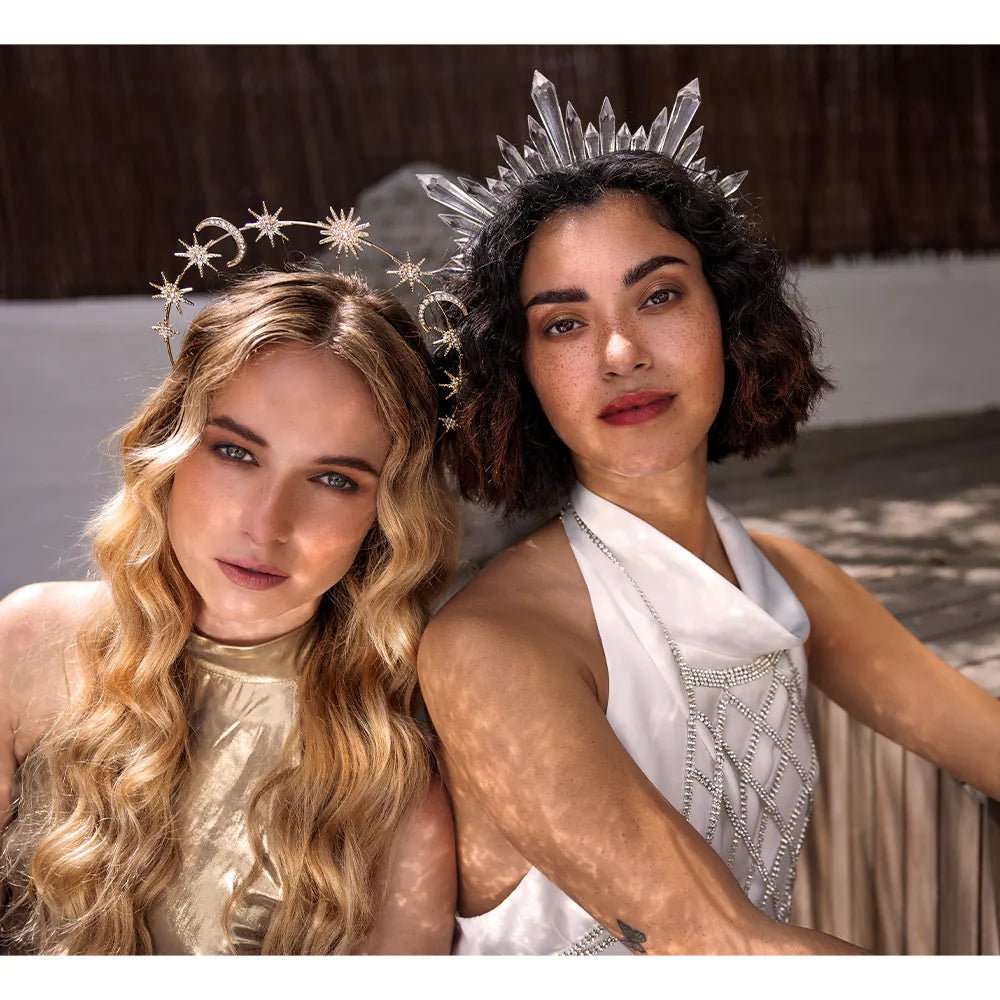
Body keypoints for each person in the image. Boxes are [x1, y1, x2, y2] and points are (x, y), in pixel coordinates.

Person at [416, 71, 1000, 955]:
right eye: (564, 324)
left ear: (729, 312)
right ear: (519, 372)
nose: (621, 352)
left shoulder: (786, 578)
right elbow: (723, 948)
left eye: (658, 296)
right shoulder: (491, 645)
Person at [0, 265, 458, 954]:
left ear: (386, 515)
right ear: (171, 446)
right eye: (236, 452)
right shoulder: (30, 645)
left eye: (334, 479)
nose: (267, 525)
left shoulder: (394, 784)